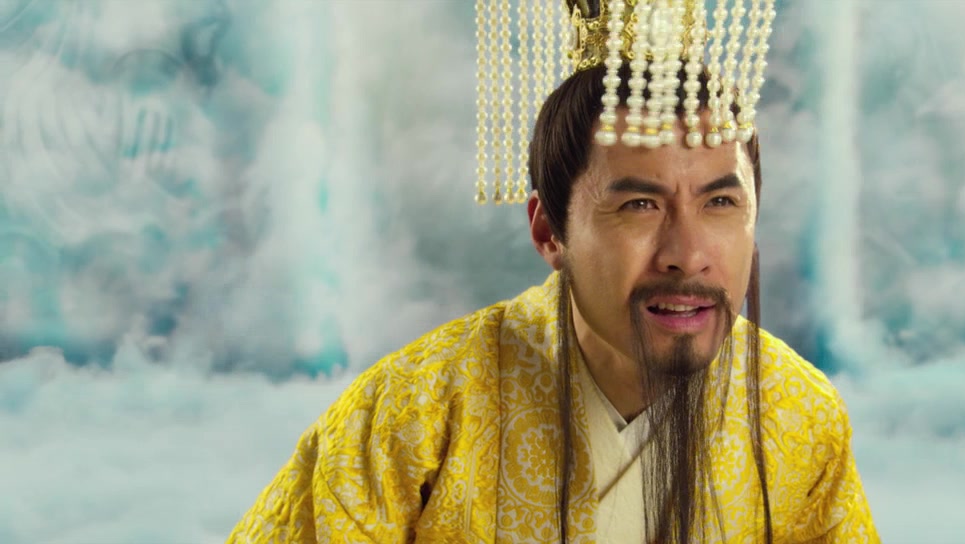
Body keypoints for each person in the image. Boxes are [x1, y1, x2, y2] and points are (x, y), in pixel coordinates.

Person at [228, 1, 878, 542]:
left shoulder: (799, 416)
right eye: (639, 205)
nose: (687, 252)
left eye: (721, 203)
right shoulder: (415, 411)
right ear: (549, 231)